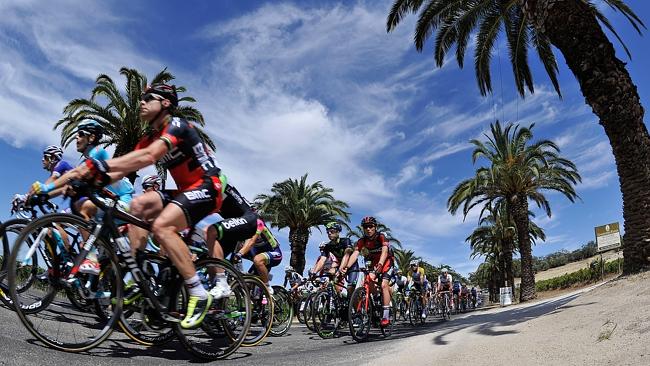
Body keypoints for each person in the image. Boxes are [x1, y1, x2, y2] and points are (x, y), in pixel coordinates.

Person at [75, 83, 223, 328]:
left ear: (165, 103)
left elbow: (149, 157)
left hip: (208, 186)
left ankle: (198, 292)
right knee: (138, 205)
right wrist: (92, 181)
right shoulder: (148, 137)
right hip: (185, 190)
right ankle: (137, 275)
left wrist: (102, 167)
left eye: (148, 98)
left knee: (162, 227)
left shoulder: (177, 125)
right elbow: (125, 168)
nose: (141, 102)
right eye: (141, 98)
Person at [31, 122, 134, 274]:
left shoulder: (99, 153)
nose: (76, 138)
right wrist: (44, 196)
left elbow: (74, 174)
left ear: (91, 137)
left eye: (80, 135)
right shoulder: (86, 160)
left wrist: (45, 189)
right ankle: (95, 286)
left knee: (82, 206)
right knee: (87, 244)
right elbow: (66, 186)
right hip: (107, 203)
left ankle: (91, 259)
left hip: (123, 201)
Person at [341, 216, 394, 327]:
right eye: (366, 227)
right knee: (368, 279)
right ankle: (375, 299)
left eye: (371, 226)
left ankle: (385, 315)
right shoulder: (362, 240)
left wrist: (380, 264)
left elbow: (384, 252)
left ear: (375, 227)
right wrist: (347, 266)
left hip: (386, 261)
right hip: (374, 262)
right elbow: (355, 254)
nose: (368, 229)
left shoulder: (381, 236)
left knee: (384, 285)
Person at [231, 217, 282, 295]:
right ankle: (256, 300)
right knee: (248, 280)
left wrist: (239, 254)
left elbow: (251, 242)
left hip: (275, 253)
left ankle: (267, 286)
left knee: (257, 259)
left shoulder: (259, 223)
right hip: (259, 258)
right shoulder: (246, 229)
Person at [308, 222, 357, 296]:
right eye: (328, 232)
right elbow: (322, 260)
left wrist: (340, 269)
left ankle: (354, 306)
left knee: (350, 288)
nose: (329, 233)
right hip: (340, 265)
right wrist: (314, 273)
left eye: (332, 231)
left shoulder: (345, 241)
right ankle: (338, 298)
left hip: (351, 266)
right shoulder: (328, 246)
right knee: (332, 276)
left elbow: (346, 255)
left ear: (338, 232)